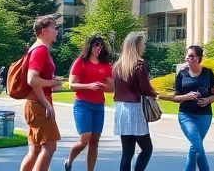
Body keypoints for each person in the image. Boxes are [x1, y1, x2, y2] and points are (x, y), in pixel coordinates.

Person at [65, 33, 114, 171]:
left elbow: (111, 87)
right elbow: (71, 85)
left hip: (98, 106)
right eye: (96, 45)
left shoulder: (106, 65)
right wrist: (89, 86)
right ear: (89, 46)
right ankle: (69, 161)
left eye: (101, 46)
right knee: (84, 139)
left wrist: (103, 86)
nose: (99, 48)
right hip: (83, 104)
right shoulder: (80, 62)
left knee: (95, 141)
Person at [21, 16, 64, 171]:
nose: (56, 31)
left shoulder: (37, 48)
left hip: (33, 104)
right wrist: (52, 86)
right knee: (50, 146)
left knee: (35, 149)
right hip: (38, 105)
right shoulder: (40, 50)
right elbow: (32, 80)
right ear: (44, 31)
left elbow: (36, 81)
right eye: (54, 28)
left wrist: (50, 85)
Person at [169, 45, 214, 171]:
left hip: (204, 116)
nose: (188, 58)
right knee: (196, 144)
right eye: (187, 55)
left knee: (196, 147)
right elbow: (175, 98)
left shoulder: (208, 73)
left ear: (199, 58)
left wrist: (208, 99)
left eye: (192, 56)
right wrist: (186, 96)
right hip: (186, 115)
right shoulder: (182, 74)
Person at [112, 31, 157, 171]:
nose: (143, 47)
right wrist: (155, 94)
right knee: (147, 148)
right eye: (142, 44)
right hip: (135, 108)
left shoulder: (118, 65)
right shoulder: (139, 64)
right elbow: (145, 88)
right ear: (137, 46)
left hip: (121, 109)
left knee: (127, 152)